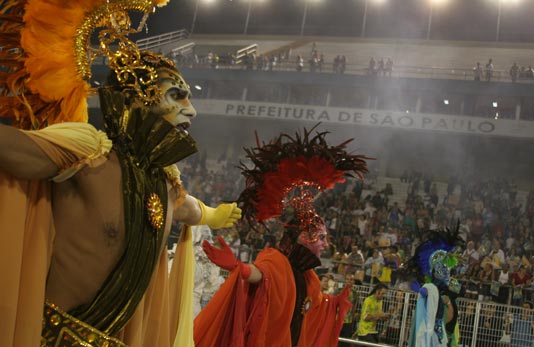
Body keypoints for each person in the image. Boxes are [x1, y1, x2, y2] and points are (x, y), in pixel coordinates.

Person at [0, 2, 241, 347]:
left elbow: (190, 208)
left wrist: (214, 214)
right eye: (177, 96)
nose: (192, 109)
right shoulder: (88, 152)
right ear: (136, 98)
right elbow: (14, 149)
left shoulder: (166, 182)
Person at [194, 126, 370, 347]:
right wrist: (240, 267)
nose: (326, 244)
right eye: (322, 237)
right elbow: (262, 275)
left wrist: (334, 304)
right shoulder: (276, 260)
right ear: (305, 237)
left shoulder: (309, 277)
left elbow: (311, 307)